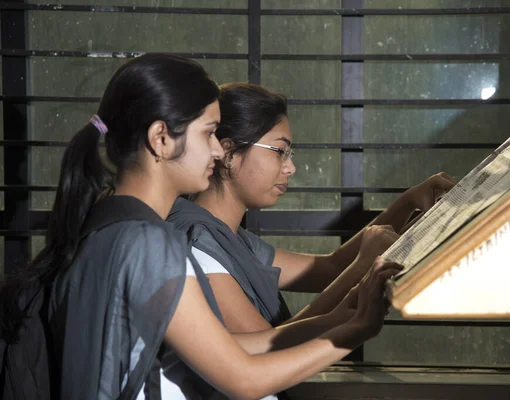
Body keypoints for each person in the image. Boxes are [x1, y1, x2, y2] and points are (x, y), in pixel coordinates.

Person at [0, 55, 401, 400]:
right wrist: (359, 328)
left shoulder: (107, 226)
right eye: (208, 132)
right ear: (161, 138)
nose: (216, 148)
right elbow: (243, 380)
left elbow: (224, 349)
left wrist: (344, 315)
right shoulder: (148, 243)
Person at [168, 83, 455, 335]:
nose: (290, 167)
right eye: (280, 152)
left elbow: (330, 268)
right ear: (229, 154)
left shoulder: (232, 240)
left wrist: (407, 203)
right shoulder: (198, 245)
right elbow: (270, 350)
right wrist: (362, 269)